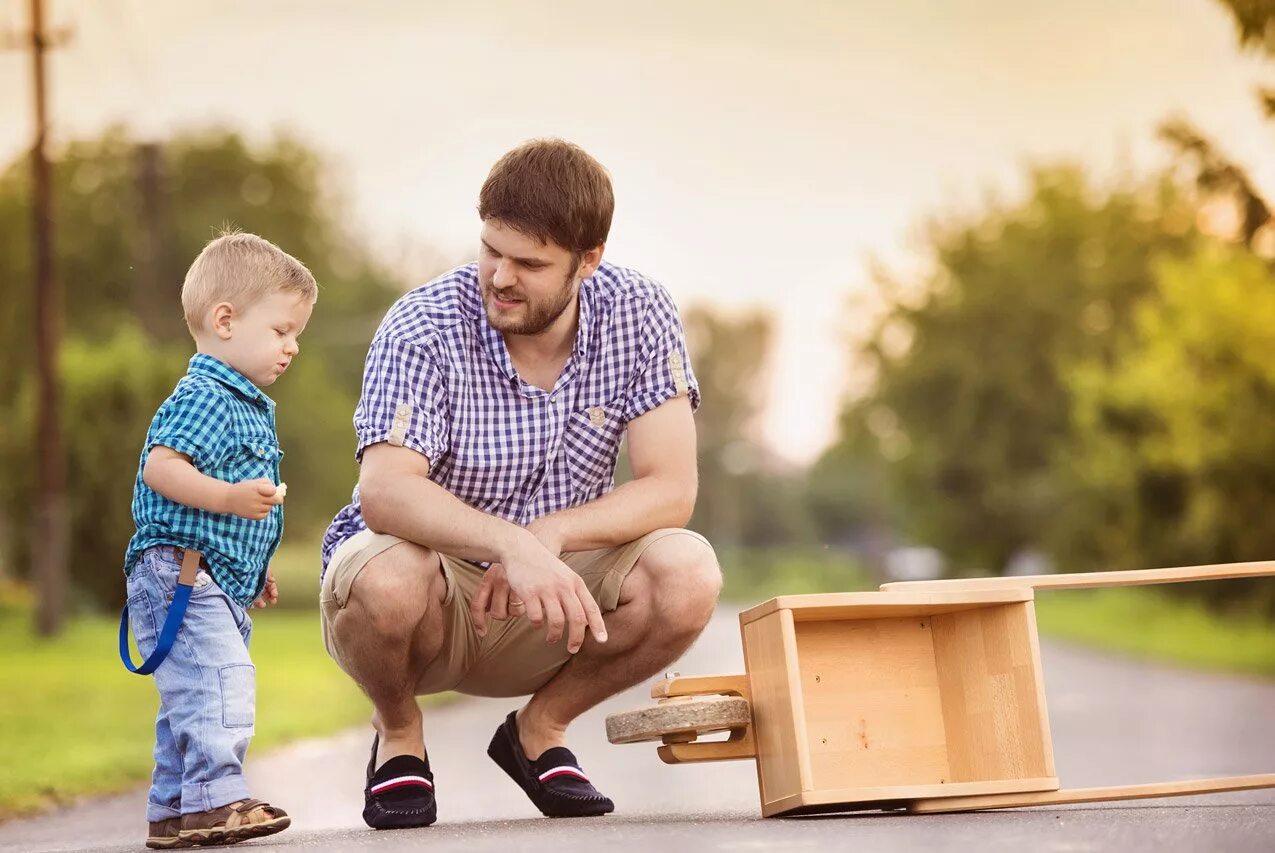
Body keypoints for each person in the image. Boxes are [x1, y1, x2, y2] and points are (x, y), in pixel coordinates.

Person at [319, 139, 722, 828]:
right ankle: (399, 737)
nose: (499, 276)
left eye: (529, 263)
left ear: (587, 261)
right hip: (431, 598)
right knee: (385, 576)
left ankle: (539, 730)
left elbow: (669, 488)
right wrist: (508, 543)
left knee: (688, 571)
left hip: (554, 597)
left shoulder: (639, 312)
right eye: (490, 250)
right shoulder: (421, 324)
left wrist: (548, 537)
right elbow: (385, 493)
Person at [123, 232, 316, 848]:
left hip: (206, 572)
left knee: (193, 693)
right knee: (221, 681)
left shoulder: (244, 402)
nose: (293, 346)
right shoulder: (208, 394)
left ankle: (175, 809)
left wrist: (250, 569)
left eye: (296, 334)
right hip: (178, 572)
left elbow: (225, 515)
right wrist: (230, 497)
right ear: (225, 320)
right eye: (282, 330)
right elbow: (161, 467)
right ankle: (218, 799)